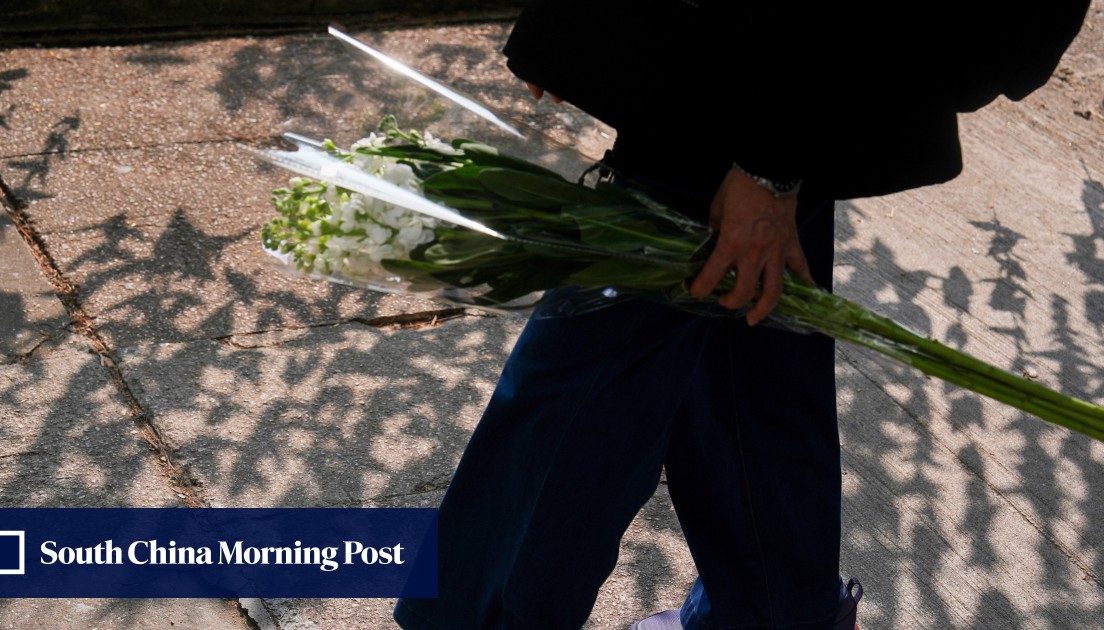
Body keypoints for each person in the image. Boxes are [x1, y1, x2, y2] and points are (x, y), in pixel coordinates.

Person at [394, 2, 1089, 628]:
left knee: (581, 390)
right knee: (751, 357)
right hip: (756, 58)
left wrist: (770, 161)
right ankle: (779, 615)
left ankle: (477, 620)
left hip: (748, 63)